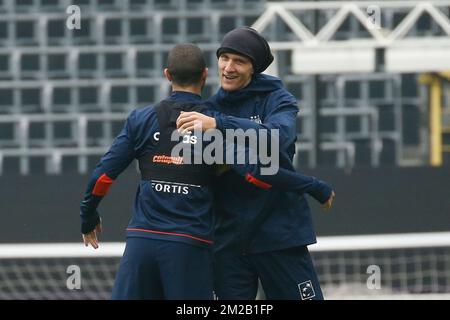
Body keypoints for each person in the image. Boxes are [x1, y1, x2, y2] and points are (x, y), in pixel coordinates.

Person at [79, 43, 333, 300]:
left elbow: (103, 175)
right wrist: (313, 185)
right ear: (205, 75)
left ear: (167, 75)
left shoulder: (142, 119)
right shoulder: (212, 126)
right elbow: (257, 174)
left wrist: (88, 215)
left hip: (140, 243)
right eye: (225, 59)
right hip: (189, 247)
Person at [176, 27, 335, 300]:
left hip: (279, 236)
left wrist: (220, 125)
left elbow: (278, 138)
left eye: (239, 61)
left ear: (254, 68)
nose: (228, 67)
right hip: (229, 243)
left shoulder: (277, 99)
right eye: (224, 57)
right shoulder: (207, 109)